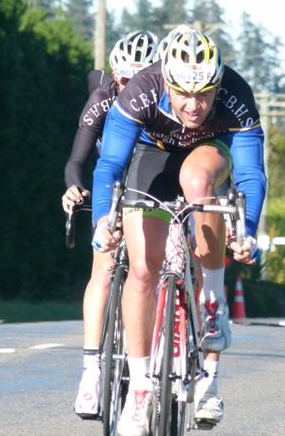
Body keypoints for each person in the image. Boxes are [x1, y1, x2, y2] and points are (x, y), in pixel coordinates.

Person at [91, 30, 266, 436]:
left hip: (207, 153)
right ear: (166, 81)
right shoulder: (141, 90)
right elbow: (110, 165)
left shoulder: (236, 96)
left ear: (218, 86)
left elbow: (252, 175)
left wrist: (249, 231)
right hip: (152, 157)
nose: (193, 105)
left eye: (204, 95)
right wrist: (103, 218)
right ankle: (138, 392)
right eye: (183, 94)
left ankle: (212, 299)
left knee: (197, 179)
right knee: (143, 272)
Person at [63, 30, 159, 419]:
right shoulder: (102, 99)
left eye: (138, 82)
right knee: (103, 266)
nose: (128, 90)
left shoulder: (163, 101)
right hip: (114, 179)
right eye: (122, 82)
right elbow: (76, 161)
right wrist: (73, 189)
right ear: (114, 77)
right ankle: (91, 371)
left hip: (153, 178)